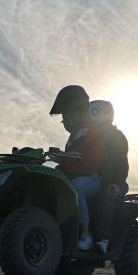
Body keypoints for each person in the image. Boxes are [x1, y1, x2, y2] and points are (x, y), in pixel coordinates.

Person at [49, 85, 106, 250]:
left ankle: (85, 235)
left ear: (78, 110)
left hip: (91, 178)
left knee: (74, 190)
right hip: (76, 176)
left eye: (67, 115)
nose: (66, 121)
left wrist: (68, 159)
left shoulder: (92, 131)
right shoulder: (73, 137)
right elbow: (70, 162)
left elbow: (96, 158)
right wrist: (60, 162)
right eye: (63, 118)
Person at [88, 100, 129, 254]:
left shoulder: (117, 136)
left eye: (94, 113)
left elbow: (121, 162)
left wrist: (116, 182)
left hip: (114, 182)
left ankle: (102, 240)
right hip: (94, 179)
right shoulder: (89, 136)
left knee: (106, 195)